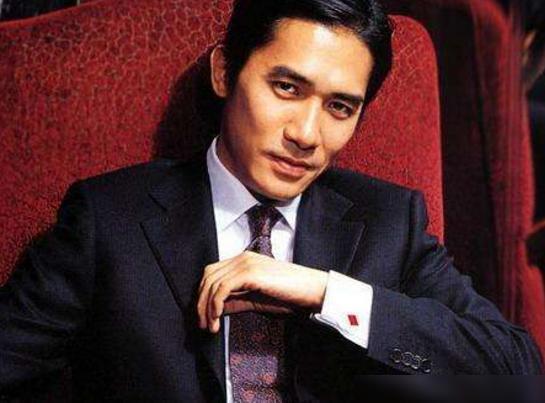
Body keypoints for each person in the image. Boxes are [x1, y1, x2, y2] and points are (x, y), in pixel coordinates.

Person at [0, 0, 542, 401]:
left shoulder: (389, 222)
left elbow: (516, 371)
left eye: (339, 107)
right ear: (224, 72)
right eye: (286, 88)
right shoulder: (109, 218)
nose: (306, 134)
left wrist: (325, 293)